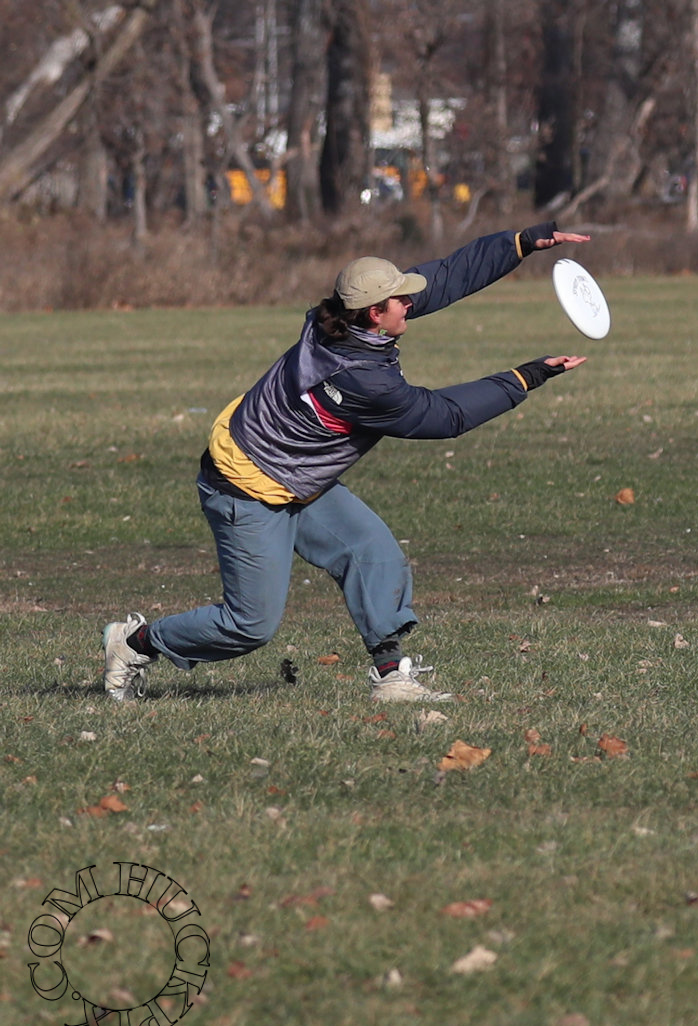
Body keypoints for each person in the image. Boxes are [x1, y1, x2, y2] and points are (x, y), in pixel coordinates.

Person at [101, 223, 590, 704]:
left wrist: (519, 244)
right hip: (244, 490)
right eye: (401, 299)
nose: (412, 303)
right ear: (375, 312)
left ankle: (390, 675)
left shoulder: (335, 318)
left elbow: (437, 279)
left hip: (295, 475)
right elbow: (444, 416)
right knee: (249, 625)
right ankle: (134, 644)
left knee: (373, 553)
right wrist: (525, 378)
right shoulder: (362, 381)